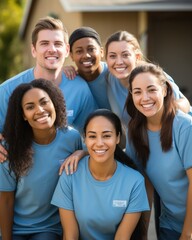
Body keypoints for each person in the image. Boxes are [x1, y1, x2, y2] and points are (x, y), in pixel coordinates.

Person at [0, 16, 97, 162]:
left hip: (64, 172)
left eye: (57, 44)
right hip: (18, 173)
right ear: (34, 50)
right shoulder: (8, 89)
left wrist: (83, 152)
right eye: (44, 43)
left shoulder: (79, 88)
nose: (52, 49)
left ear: (66, 50)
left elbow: (93, 132)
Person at [0, 79, 84, 240]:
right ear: (23, 115)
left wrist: (81, 153)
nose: (40, 110)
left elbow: (93, 159)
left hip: (49, 228)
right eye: (30, 107)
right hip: (16, 228)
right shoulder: (9, 148)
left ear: (54, 103)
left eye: (44, 102)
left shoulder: (71, 138)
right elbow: (6, 199)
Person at [51, 109, 149, 240]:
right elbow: (70, 235)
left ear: (118, 138)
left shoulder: (135, 181)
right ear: (85, 139)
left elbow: (122, 237)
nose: (99, 143)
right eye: (92, 136)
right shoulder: (70, 174)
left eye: (107, 135)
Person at [125, 63, 192, 240]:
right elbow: (144, 184)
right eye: (137, 92)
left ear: (164, 90)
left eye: (151, 89)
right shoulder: (135, 130)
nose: (145, 97)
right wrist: (143, 233)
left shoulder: (184, 126)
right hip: (169, 224)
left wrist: (187, 233)